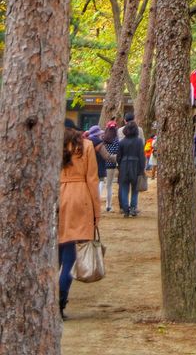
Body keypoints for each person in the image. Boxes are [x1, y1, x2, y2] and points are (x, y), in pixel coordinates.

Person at [59, 121, 101, 320]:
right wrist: (96, 211)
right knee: (70, 257)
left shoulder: (53, 145)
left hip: (57, 198)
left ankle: (48, 301)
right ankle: (60, 301)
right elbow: (92, 180)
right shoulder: (86, 146)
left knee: (55, 255)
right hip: (81, 198)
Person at [117, 118, 146, 217]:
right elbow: (142, 156)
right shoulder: (139, 142)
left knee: (124, 188)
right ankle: (133, 208)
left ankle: (125, 209)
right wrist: (142, 169)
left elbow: (118, 157)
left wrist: (120, 166)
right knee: (135, 189)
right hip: (136, 166)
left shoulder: (121, 142)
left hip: (124, 166)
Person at [102, 122, 119, 212]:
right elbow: (117, 151)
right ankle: (108, 205)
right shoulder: (116, 139)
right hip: (111, 165)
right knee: (109, 185)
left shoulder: (103, 138)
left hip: (102, 164)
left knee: (101, 184)